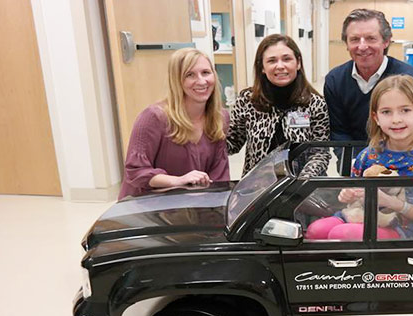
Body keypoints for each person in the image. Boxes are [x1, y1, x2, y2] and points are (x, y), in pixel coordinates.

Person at [307, 75, 413, 240]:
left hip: (404, 229)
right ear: (376, 118)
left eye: (405, 110)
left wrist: (390, 202)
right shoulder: (369, 155)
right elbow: (353, 192)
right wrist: (347, 194)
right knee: (315, 230)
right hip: (359, 215)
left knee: (341, 234)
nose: (396, 119)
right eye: (386, 112)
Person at [119, 48, 229, 199]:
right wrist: (178, 181)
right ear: (177, 81)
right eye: (190, 75)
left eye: (206, 72)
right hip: (149, 205)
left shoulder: (220, 117)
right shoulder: (153, 117)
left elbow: (219, 175)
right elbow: (136, 171)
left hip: (192, 203)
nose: (202, 81)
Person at [228, 34, 329, 176]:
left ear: (298, 63)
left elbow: (320, 152)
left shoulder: (315, 103)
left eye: (287, 59)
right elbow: (232, 144)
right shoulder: (247, 100)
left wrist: (303, 181)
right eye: (272, 61)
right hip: (258, 187)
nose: (280, 66)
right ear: (262, 67)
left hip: (304, 186)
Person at [324, 8, 413, 143]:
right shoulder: (335, 80)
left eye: (370, 38)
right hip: (353, 158)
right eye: (354, 39)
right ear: (347, 44)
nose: (362, 46)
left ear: (386, 41)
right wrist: (357, 162)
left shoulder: (410, 78)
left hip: (399, 156)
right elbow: (339, 132)